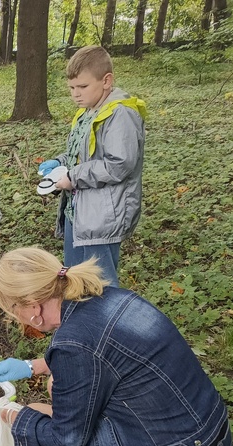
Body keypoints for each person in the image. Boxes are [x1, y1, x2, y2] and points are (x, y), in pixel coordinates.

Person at [0, 247, 232, 446]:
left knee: (35, 426)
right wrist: (33, 365)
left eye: (13, 311)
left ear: (32, 307)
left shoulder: (74, 345)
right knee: (52, 390)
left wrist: (7, 413)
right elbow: (105, 353)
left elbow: (66, 440)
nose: (16, 319)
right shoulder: (112, 298)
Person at [38, 45, 146, 287]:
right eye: (71, 88)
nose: (76, 94)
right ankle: (81, 312)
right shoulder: (87, 112)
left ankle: (104, 313)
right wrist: (61, 162)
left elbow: (119, 164)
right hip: (77, 212)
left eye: (83, 87)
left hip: (101, 218)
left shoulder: (120, 114)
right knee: (75, 278)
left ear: (106, 81)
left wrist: (73, 177)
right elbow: (81, 153)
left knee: (100, 284)